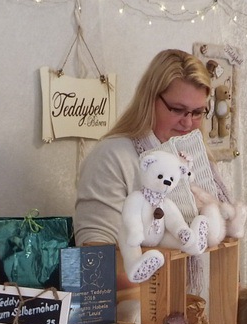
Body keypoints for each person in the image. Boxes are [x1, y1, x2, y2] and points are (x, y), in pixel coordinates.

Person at [74, 48, 237, 248]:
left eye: (197, 112)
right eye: (177, 109)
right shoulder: (111, 157)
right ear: (150, 101)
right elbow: (95, 249)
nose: (188, 123)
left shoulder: (198, 159)